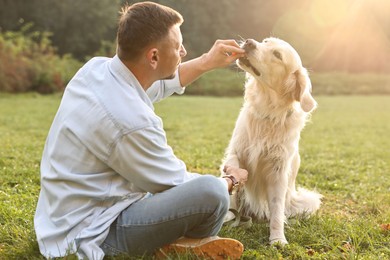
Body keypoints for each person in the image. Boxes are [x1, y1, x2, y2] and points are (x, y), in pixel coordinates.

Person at [34, 1, 248, 259]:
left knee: (210, 190)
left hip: (59, 221)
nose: (183, 51)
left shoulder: (96, 70)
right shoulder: (129, 121)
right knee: (212, 193)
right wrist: (230, 181)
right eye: (177, 46)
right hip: (95, 233)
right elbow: (174, 182)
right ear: (154, 56)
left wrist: (205, 61)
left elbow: (156, 85)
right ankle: (183, 245)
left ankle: (182, 242)